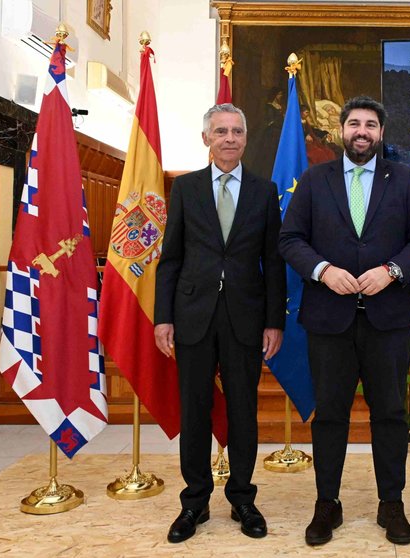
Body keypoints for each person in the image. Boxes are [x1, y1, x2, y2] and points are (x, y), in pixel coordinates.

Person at [278, 96, 410, 547]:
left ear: (381, 133)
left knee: (389, 413)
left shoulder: (403, 180)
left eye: (370, 124)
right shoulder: (314, 180)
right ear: (341, 132)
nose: (361, 131)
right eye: (354, 124)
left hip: (387, 320)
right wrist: (324, 270)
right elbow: (290, 239)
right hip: (329, 320)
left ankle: (392, 504)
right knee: (329, 415)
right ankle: (327, 503)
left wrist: (391, 271)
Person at [154, 103, 286, 544]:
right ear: (206, 138)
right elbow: (170, 258)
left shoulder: (265, 192)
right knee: (194, 410)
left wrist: (274, 321)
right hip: (192, 317)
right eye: (221, 131)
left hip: (246, 319)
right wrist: (163, 317)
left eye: (237, 131)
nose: (230, 138)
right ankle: (194, 503)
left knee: (243, 411)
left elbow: (274, 261)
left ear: (246, 138)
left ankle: (243, 498)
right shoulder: (186, 188)